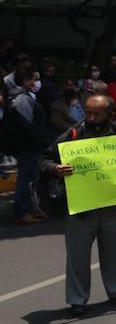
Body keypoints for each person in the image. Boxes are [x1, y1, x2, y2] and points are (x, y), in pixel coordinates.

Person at [41, 95, 116, 317]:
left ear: (110, 114)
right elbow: (44, 160)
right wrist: (55, 168)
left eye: (96, 113)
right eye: (88, 112)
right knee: (77, 258)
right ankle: (77, 300)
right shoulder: (73, 135)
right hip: (81, 209)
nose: (90, 117)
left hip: (113, 207)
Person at [7, 69, 54, 224]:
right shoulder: (22, 99)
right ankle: (22, 211)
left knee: (29, 176)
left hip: (29, 144)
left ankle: (28, 208)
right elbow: (26, 126)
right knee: (25, 178)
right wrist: (39, 140)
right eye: (34, 79)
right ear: (26, 81)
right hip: (26, 145)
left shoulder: (25, 97)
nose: (36, 82)